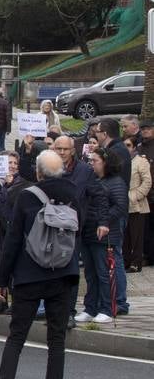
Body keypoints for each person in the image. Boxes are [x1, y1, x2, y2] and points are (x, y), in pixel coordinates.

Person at [0, 151, 79, 379]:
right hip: (63, 274)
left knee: (17, 336)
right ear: (61, 171)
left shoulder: (27, 196)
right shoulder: (73, 194)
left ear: (37, 172)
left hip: (28, 276)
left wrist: (2, 280)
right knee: (57, 339)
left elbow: (14, 239)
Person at [77, 145, 126, 325]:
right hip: (88, 232)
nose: (91, 164)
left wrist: (102, 221)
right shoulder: (92, 181)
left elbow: (120, 207)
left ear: (105, 163)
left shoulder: (116, 182)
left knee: (104, 273)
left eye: (95, 161)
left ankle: (107, 308)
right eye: (90, 161)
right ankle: (90, 307)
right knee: (90, 273)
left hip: (105, 235)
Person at [123, 136, 149, 274]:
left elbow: (147, 182)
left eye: (128, 145)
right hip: (123, 203)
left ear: (134, 147)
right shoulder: (121, 161)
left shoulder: (141, 161)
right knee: (125, 235)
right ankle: (126, 260)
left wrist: (134, 196)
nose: (126, 148)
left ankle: (136, 262)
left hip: (137, 204)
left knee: (137, 236)